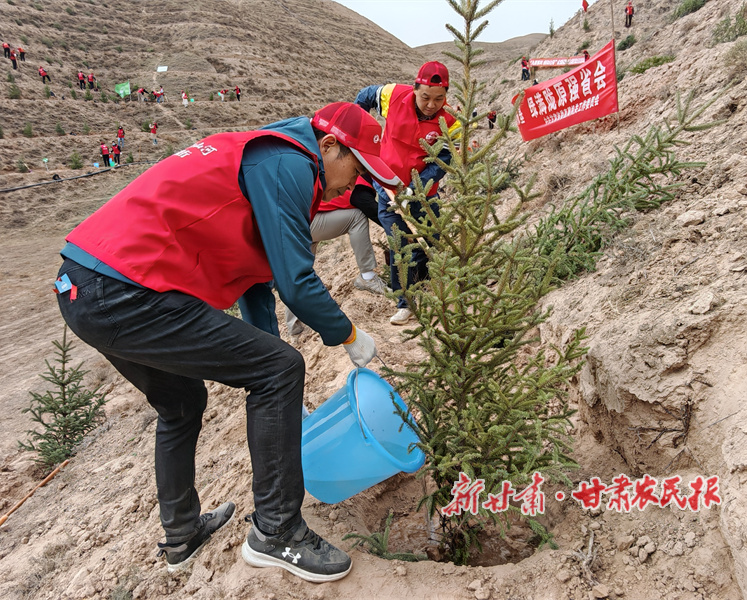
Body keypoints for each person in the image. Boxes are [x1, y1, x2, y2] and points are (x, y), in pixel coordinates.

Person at [53, 101, 396, 582]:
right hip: (124, 289)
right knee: (280, 369)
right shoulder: (288, 162)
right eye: (355, 169)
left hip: (84, 285)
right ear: (331, 145)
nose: (353, 184)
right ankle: (276, 533)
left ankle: (182, 534)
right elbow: (296, 282)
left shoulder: (271, 158)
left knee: (183, 402)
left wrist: (280, 386)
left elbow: (256, 284)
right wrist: (349, 335)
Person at [355, 61, 459, 325]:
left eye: (439, 98)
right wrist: (362, 136)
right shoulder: (392, 95)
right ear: (415, 89)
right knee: (398, 243)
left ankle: (429, 287)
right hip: (387, 185)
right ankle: (405, 303)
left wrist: (417, 187)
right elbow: (364, 97)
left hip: (424, 193)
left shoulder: (450, 120)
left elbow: (444, 159)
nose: (431, 104)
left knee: (429, 240)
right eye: (425, 97)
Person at [284, 175, 392, 337]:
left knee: (299, 272)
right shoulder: (359, 178)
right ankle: (367, 277)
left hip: (296, 217)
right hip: (307, 220)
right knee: (357, 217)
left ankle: (294, 328)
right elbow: (359, 200)